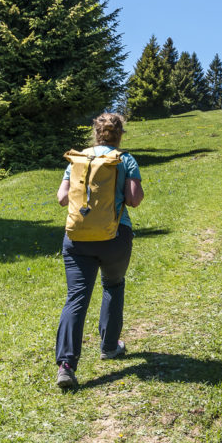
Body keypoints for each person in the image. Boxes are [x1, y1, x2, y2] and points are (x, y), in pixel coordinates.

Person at [54, 112, 144, 390]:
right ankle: (109, 346)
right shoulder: (125, 159)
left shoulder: (78, 160)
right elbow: (134, 199)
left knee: (76, 297)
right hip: (115, 236)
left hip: (77, 238)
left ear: (95, 133)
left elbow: (61, 199)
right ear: (119, 134)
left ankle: (66, 365)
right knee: (113, 285)